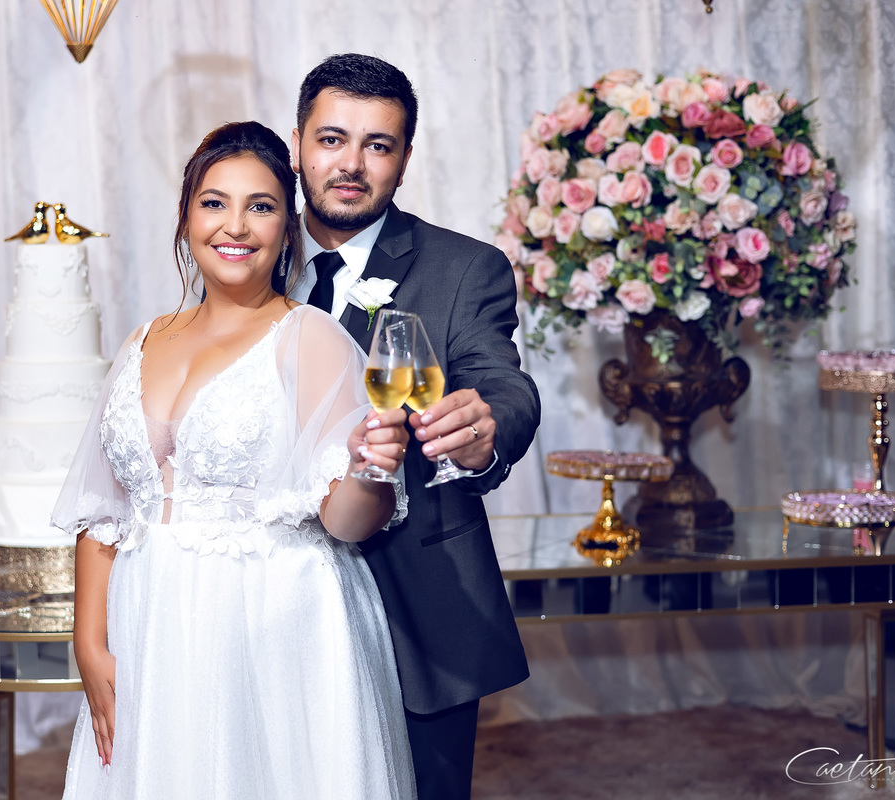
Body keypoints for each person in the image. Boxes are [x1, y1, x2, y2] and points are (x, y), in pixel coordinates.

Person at [52, 120, 418, 799]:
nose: (236, 226)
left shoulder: (310, 337)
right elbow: (106, 513)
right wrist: (90, 641)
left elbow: (345, 522)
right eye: (215, 202)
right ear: (187, 217)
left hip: (270, 619)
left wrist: (372, 467)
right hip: (150, 618)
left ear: (287, 229)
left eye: (262, 206)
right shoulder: (141, 340)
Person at [281, 54, 542, 799]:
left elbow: (504, 385)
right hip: (271, 592)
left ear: (403, 159)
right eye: (332, 139)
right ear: (297, 143)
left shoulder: (464, 269)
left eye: (378, 145)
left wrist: (487, 428)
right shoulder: (250, 250)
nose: (351, 165)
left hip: (417, 597)